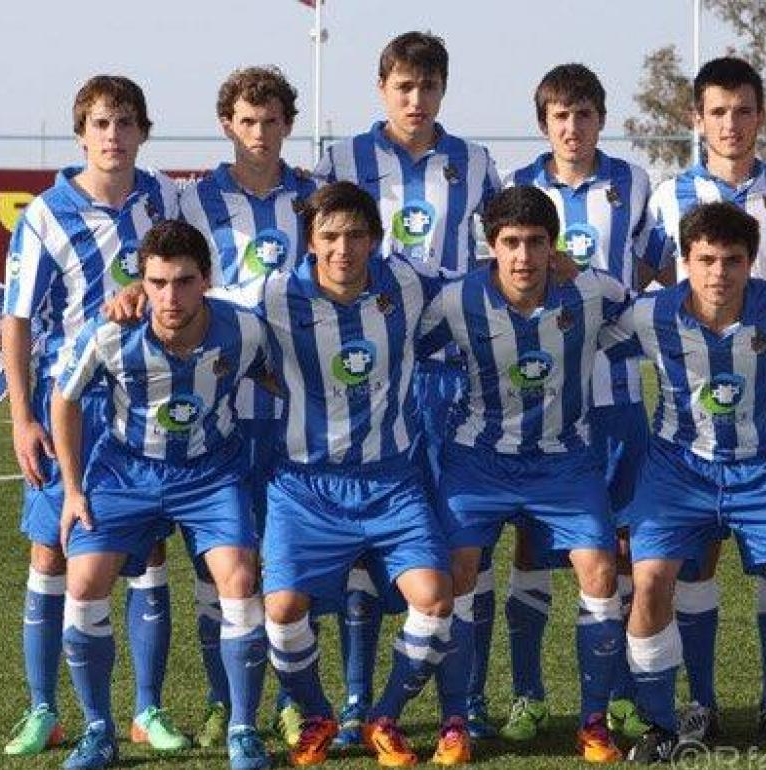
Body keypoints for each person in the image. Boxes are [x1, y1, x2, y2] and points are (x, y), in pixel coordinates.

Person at [314, 30, 503, 743]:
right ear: (382, 88)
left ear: (443, 91)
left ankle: (469, 700)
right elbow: (321, 251)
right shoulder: (343, 161)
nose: (415, 100)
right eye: (403, 87)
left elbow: (500, 257)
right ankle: (359, 701)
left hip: (455, 378)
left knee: (463, 543)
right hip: (373, 377)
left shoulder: (476, 163)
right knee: (367, 541)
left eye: (427, 87)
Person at [229, 182, 458, 768]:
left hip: (392, 483)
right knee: (279, 611)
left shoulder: (405, 283)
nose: (343, 249)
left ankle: (383, 716)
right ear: (310, 242)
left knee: (433, 601)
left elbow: (482, 291)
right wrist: (131, 299)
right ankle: (316, 715)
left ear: (375, 241)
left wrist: (552, 267)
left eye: (357, 235)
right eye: (330, 236)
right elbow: (202, 306)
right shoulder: (275, 292)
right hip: (304, 487)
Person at [604, 202, 766, 763]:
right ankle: (662, 723)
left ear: (752, 263)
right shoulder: (649, 316)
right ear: (684, 261)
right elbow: (580, 326)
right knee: (651, 578)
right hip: (679, 469)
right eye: (705, 259)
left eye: (732, 260)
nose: (718, 273)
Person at [1, 75, 185, 757]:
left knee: (146, 549)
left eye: (126, 122)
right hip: (66, 410)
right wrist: (22, 418)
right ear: (82, 132)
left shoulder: (165, 199)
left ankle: (148, 709)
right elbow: (16, 324)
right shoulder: (45, 214)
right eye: (102, 123)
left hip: (145, 406)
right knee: (51, 550)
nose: (114, 135)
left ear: (143, 131)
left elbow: (195, 269)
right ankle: (43, 708)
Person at [418, 185, 630, 764]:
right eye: (510, 243)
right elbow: (403, 344)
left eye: (536, 243)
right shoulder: (457, 301)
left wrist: (580, 266)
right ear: (491, 247)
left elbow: (640, 309)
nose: (523, 257)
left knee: (601, 569)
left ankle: (594, 722)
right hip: (478, 461)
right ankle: (456, 720)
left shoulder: (589, 293)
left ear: (553, 247)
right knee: (457, 570)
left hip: (564, 461)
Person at [51, 220, 271, 770]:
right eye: (156, 282)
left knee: (241, 581)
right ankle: (98, 731)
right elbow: (64, 400)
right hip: (127, 471)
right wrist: (74, 490)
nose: (169, 296)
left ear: (206, 281)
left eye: (183, 281)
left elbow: (284, 376)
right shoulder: (110, 335)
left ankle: (243, 729)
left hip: (211, 472)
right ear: (140, 284)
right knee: (82, 581)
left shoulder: (244, 330)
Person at [497, 62, 674, 743]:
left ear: (602, 119)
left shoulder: (632, 183)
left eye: (585, 115)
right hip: (540, 401)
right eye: (560, 117)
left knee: (620, 551)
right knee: (534, 549)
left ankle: (621, 694)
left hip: (618, 394)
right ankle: (528, 694)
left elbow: (659, 268)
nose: (573, 129)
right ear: (544, 124)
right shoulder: (518, 187)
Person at [648, 55, 766, 742]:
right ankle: (702, 701)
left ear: (761, 116)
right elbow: (655, 283)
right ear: (697, 119)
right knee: (697, 558)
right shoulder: (668, 194)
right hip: (693, 411)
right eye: (717, 111)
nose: (731, 123)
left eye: (743, 110)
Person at [177, 65, 320, 749]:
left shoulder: (316, 200)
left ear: (288, 124)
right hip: (221, 412)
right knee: (223, 569)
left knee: (288, 566)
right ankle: (222, 699)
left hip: (298, 411)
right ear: (227, 125)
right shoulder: (194, 204)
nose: (260, 134)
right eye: (247, 121)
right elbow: (184, 295)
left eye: (271, 121)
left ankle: (295, 701)